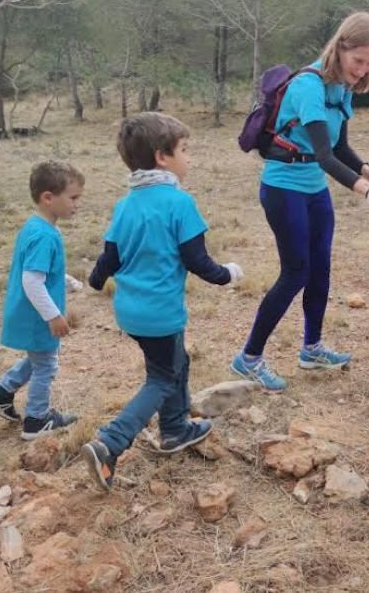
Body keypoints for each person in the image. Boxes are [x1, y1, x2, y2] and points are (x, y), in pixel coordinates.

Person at [230, 11, 369, 393]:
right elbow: (325, 157)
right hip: (283, 189)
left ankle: (311, 349)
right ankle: (249, 357)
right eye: (358, 60)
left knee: (320, 270)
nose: (363, 70)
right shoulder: (308, 86)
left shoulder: (342, 87)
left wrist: (363, 168)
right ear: (340, 47)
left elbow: (338, 147)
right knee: (295, 272)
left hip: (314, 190)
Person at [81, 112, 244, 491]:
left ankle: (175, 429)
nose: (189, 158)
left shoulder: (126, 205)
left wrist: (95, 280)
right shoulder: (178, 203)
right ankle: (110, 442)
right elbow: (197, 261)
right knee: (161, 377)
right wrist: (229, 274)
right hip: (161, 314)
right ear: (162, 157)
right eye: (184, 149)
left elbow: (109, 257)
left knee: (176, 362)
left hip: (130, 311)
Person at [0, 161, 85, 439]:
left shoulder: (35, 227)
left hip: (29, 312)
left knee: (38, 358)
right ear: (48, 197)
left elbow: (38, 270)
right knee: (46, 364)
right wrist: (53, 315)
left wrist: (64, 279)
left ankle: (1, 393)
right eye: (73, 198)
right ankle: (36, 419)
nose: (77, 204)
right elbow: (31, 281)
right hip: (37, 316)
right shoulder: (44, 235)